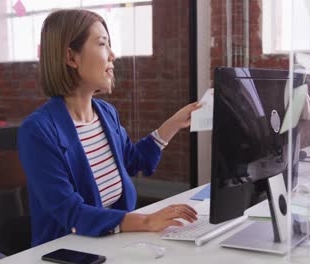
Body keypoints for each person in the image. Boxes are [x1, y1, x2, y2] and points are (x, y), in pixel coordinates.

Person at [18, 9, 200, 247]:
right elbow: (71, 213)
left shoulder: (106, 113)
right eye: (103, 44)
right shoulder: (37, 131)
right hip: (67, 250)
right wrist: (146, 221)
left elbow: (134, 161)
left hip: (111, 243)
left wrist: (174, 123)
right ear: (71, 57)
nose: (113, 55)